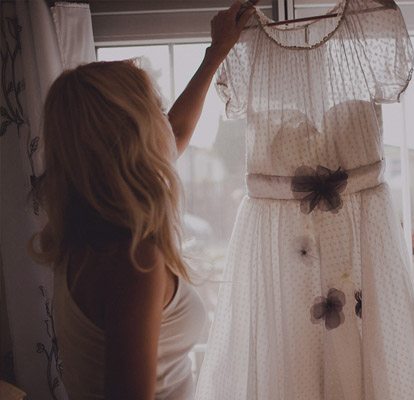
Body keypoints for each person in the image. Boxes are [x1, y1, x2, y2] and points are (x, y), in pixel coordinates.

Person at [29, 2, 256, 399]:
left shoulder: (77, 236)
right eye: (154, 110)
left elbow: (176, 132)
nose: (162, 122)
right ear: (133, 138)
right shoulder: (134, 261)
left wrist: (215, 54)